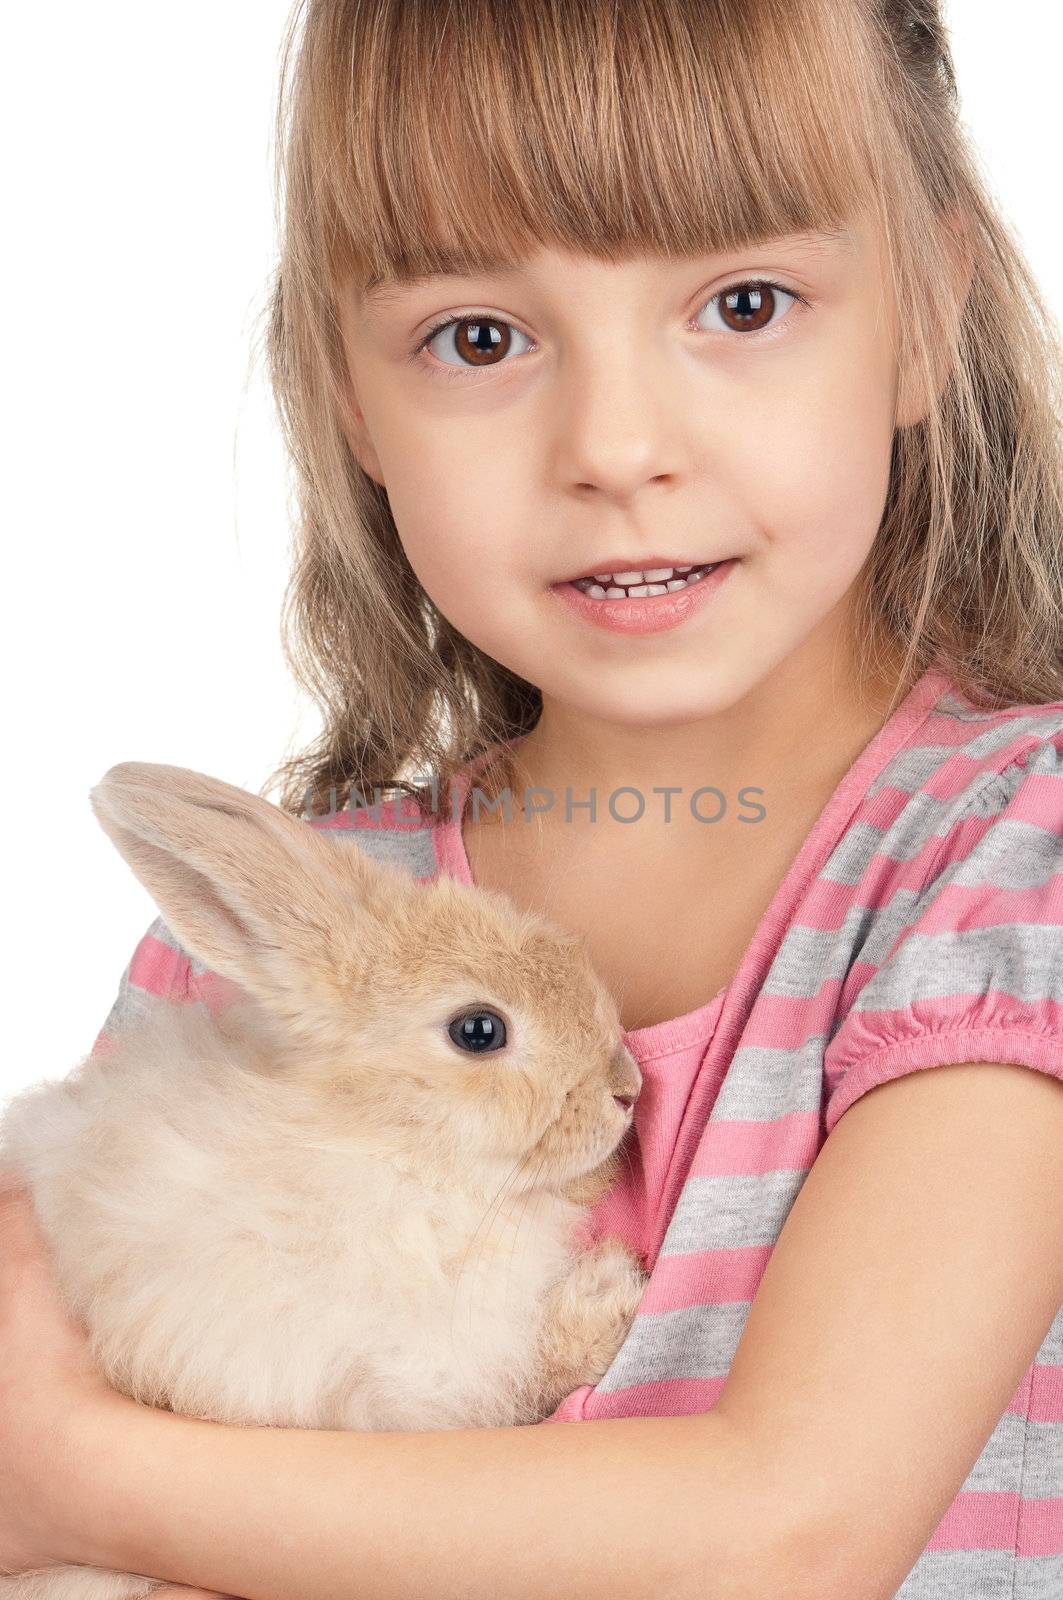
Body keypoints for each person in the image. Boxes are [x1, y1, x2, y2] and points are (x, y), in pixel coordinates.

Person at [2, 0, 1062, 1596]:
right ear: (349, 394)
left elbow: (791, 1534)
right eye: (478, 338)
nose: (616, 447)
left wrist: (82, 1482)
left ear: (925, 310)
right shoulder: (262, 956)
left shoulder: (1008, 862)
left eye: (745, 301)